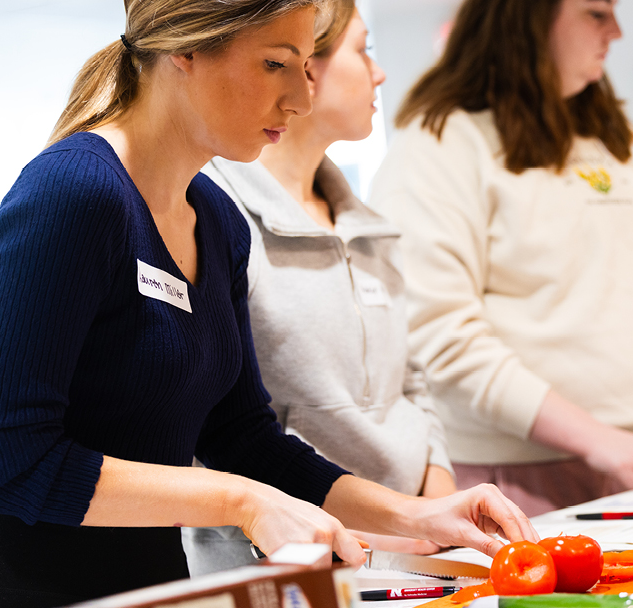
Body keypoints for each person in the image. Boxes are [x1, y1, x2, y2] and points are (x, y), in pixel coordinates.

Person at [0, 1, 535, 605]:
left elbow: (244, 437)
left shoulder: (217, 221)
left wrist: (414, 516)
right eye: (275, 64)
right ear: (185, 51)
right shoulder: (75, 194)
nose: (299, 100)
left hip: (154, 588)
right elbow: (4, 460)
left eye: (304, 67)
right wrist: (241, 500)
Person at [368, 0, 633, 517]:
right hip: (520, 482)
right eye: (596, 14)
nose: (617, 31)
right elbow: (441, 335)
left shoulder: (618, 142)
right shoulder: (439, 144)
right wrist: (596, 439)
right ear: (528, 17)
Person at [183, 0, 455, 575]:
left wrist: (434, 507)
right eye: (364, 50)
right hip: (291, 561)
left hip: (410, 553)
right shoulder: (211, 213)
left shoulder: (369, 224)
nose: (379, 73)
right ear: (305, 65)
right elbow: (230, 430)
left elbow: (412, 384)